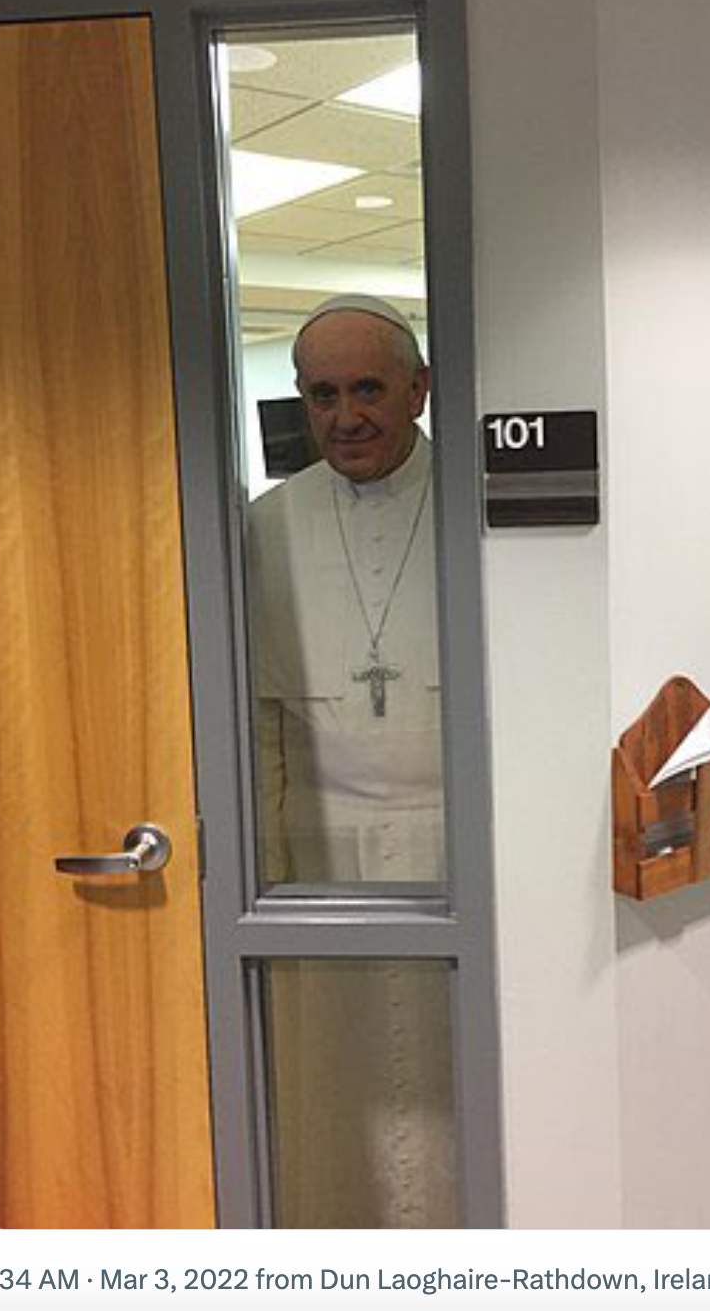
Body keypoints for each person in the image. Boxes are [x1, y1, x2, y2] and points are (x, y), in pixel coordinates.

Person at [248, 295, 453, 1227]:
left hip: (458, 854)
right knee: (337, 1094)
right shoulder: (262, 526)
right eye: (321, 394)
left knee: (453, 1089)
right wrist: (267, 875)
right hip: (319, 856)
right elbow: (260, 729)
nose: (346, 416)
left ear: (418, 390)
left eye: (368, 388)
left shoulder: (481, 505)